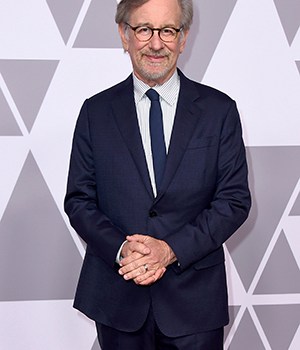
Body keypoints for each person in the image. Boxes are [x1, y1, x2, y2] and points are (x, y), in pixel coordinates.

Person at [64, 0, 251, 349]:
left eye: (167, 30)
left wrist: (169, 250)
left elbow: (234, 201)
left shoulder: (219, 111)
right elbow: (79, 201)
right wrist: (123, 249)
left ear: (183, 38)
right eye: (143, 29)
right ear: (124, 35)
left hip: (194, 305)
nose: (155, 43)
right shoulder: (95, 112)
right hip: (118, 297)